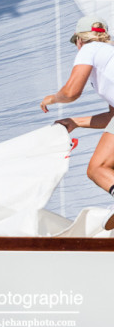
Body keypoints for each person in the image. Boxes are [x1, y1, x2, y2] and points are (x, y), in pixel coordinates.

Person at [39, 16, 114, 205]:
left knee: (99, 168)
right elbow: (112, 118)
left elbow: (71, 92)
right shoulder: (109, 55)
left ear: (80, 40)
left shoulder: (89, 49)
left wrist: (53, 98)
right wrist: (76, 122)